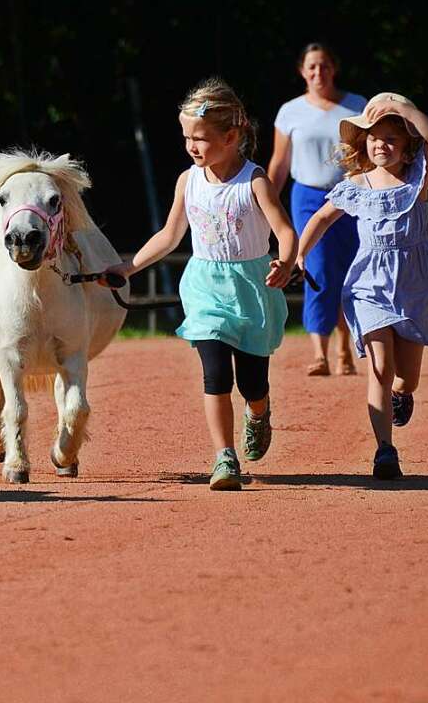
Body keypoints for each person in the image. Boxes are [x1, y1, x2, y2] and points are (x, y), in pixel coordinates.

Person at [103, 78, 297, 490]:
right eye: (187, 136)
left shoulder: (254, 181)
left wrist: (286, 261)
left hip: (251, 288)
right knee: (215, 374)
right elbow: (170, 236)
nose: (192, 145)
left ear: (230, 136)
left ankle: (258, 412)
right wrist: (127, 267)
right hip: (206, 287)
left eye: (201, 138)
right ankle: (225, 458)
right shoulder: (188, 181)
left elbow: (285, 230)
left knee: (251, 383)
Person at [297, 93, 428, 479]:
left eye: (390, 138)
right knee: (380, 369)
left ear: (406, 149)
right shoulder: (355, 185)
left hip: (414, 281)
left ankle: (404, 394)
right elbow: (320, 218)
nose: (380, 144)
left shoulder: (418, 178)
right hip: (369, 281)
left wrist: (402, 109)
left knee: (406, 377)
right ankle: (385, 451)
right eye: (373, 137)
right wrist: (299, 255)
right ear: (362, 143)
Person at [267, 42, 367, 376]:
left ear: (334, 68)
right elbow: (280, 163)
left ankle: (345, 350)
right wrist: (264, 202)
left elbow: (370, 156)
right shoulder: (290, 111)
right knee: (318, 268)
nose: (318, 72)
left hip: (351, 195)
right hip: (308, 196)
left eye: (324, 65)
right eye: (311, 66)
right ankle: (320, 353)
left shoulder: (357, 106)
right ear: (302, 71)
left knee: (350, 270)